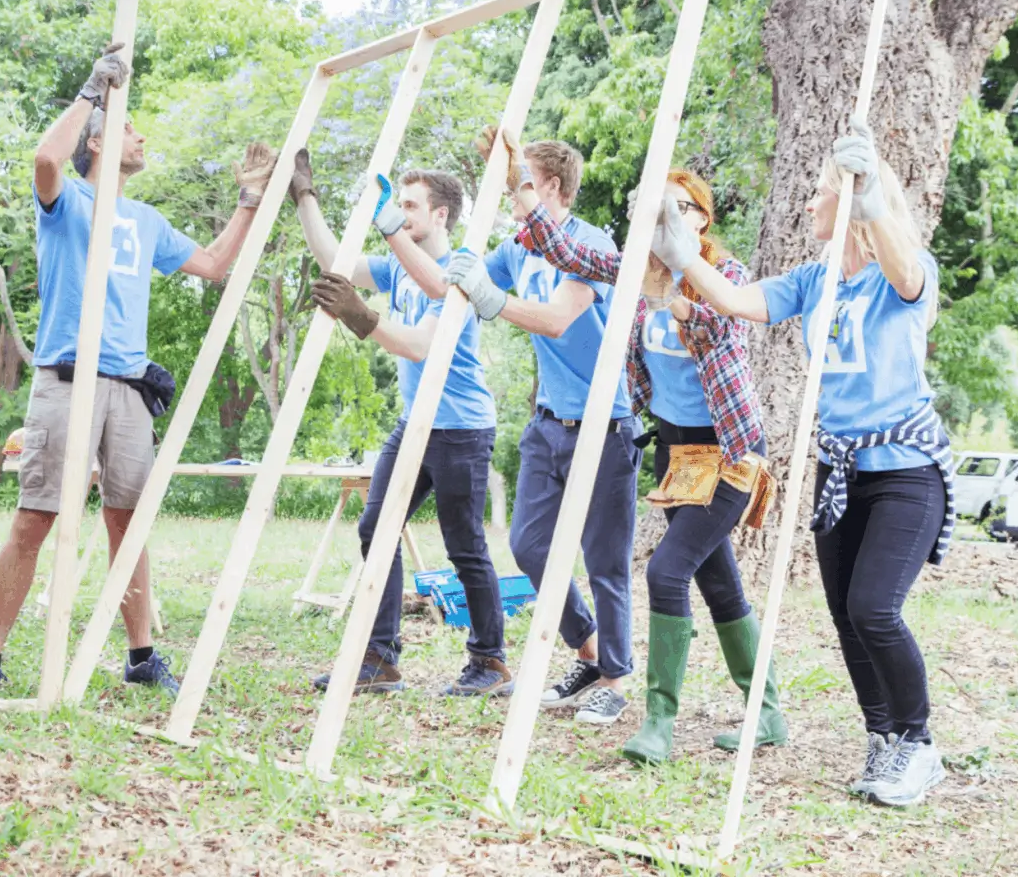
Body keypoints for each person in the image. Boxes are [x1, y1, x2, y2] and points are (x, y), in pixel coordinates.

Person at [0, 45, 278, 700]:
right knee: (34, 520)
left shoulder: (146, 220)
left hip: (130, 388)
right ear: (99, 143)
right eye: (129, 127)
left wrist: (249, 199)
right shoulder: (69, 202)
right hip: (66, 382)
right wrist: (91, 93)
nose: (141, 136)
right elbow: (46, 159)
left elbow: (215, 264)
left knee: (128, 521)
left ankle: (140, 656)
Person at [657, 116, 953, 806]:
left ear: (848, 204)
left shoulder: (898, 276)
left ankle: (918, 744)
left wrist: (875, 198)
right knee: (846, 617)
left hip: (904, 470)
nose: (807, 203)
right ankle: (881, 741)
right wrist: (683, 255)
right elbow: (734, 302)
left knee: (874, 607)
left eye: (820, 193)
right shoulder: (812, 280)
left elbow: (906, 269)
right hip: (839, 471)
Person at [516, 162, 786, 762]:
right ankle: (766, 712)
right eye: (659, 209)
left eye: (681, 208)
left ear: (702, 218)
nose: (669, 218)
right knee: (719, 582)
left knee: (666, 572)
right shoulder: (639, 274)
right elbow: (569, 253)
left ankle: (658, 722)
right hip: (676, 454)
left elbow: (724, 326)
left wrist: (678, 300)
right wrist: (521, 187)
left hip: (729, 454)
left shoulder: (725, 276)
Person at [289, 149, 510, 696]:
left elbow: (418, 346)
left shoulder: (457, 271)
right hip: (414, 423)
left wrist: (363, 317)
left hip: (460, 429)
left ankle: (490, 662)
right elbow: (335, 258)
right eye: (397, 203)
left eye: (409, 204)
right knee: (375, 529)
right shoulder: (397, 269)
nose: (399, 211)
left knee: (464, 546)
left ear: (440, 215)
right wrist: (304, 197)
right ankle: (381, 658)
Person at [445, 129, 641, 727]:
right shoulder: (520, 247)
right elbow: (464, 283)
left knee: (604, 560)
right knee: (529, 545)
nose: (512, 190)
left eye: (522, 177)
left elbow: (557, 320)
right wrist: (409, 244)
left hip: (605, 425)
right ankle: (587, 650)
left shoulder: (589, 244)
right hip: (549, 423)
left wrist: (492, 301)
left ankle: (614, 676)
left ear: (550, 185)